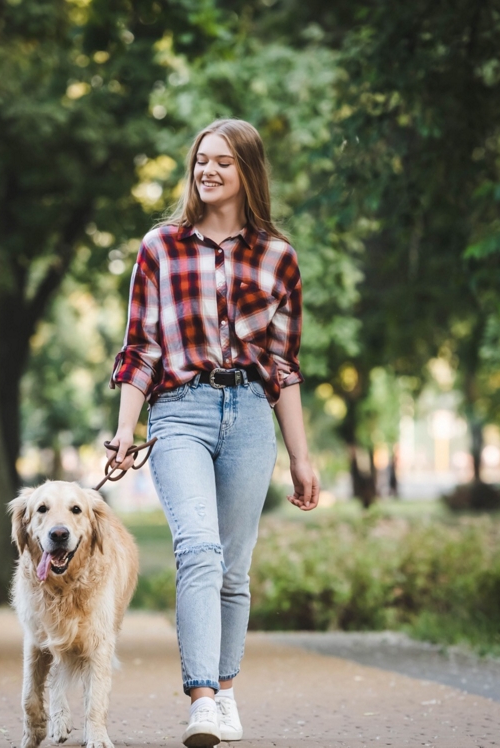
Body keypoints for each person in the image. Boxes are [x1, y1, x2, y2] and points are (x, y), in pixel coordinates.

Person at [107, 118, 321, 747]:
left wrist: (302, 458)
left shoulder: (278, 257)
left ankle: (226, 691)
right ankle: (202, 699)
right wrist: (126, 429)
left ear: (247, 171)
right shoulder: (160, 247)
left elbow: (284, 368)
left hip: (251, 415)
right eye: (202, 160)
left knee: (234, 567)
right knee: (198, 549)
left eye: (223, 162)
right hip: (179, 413)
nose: (208, 171)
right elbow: (140, 348)